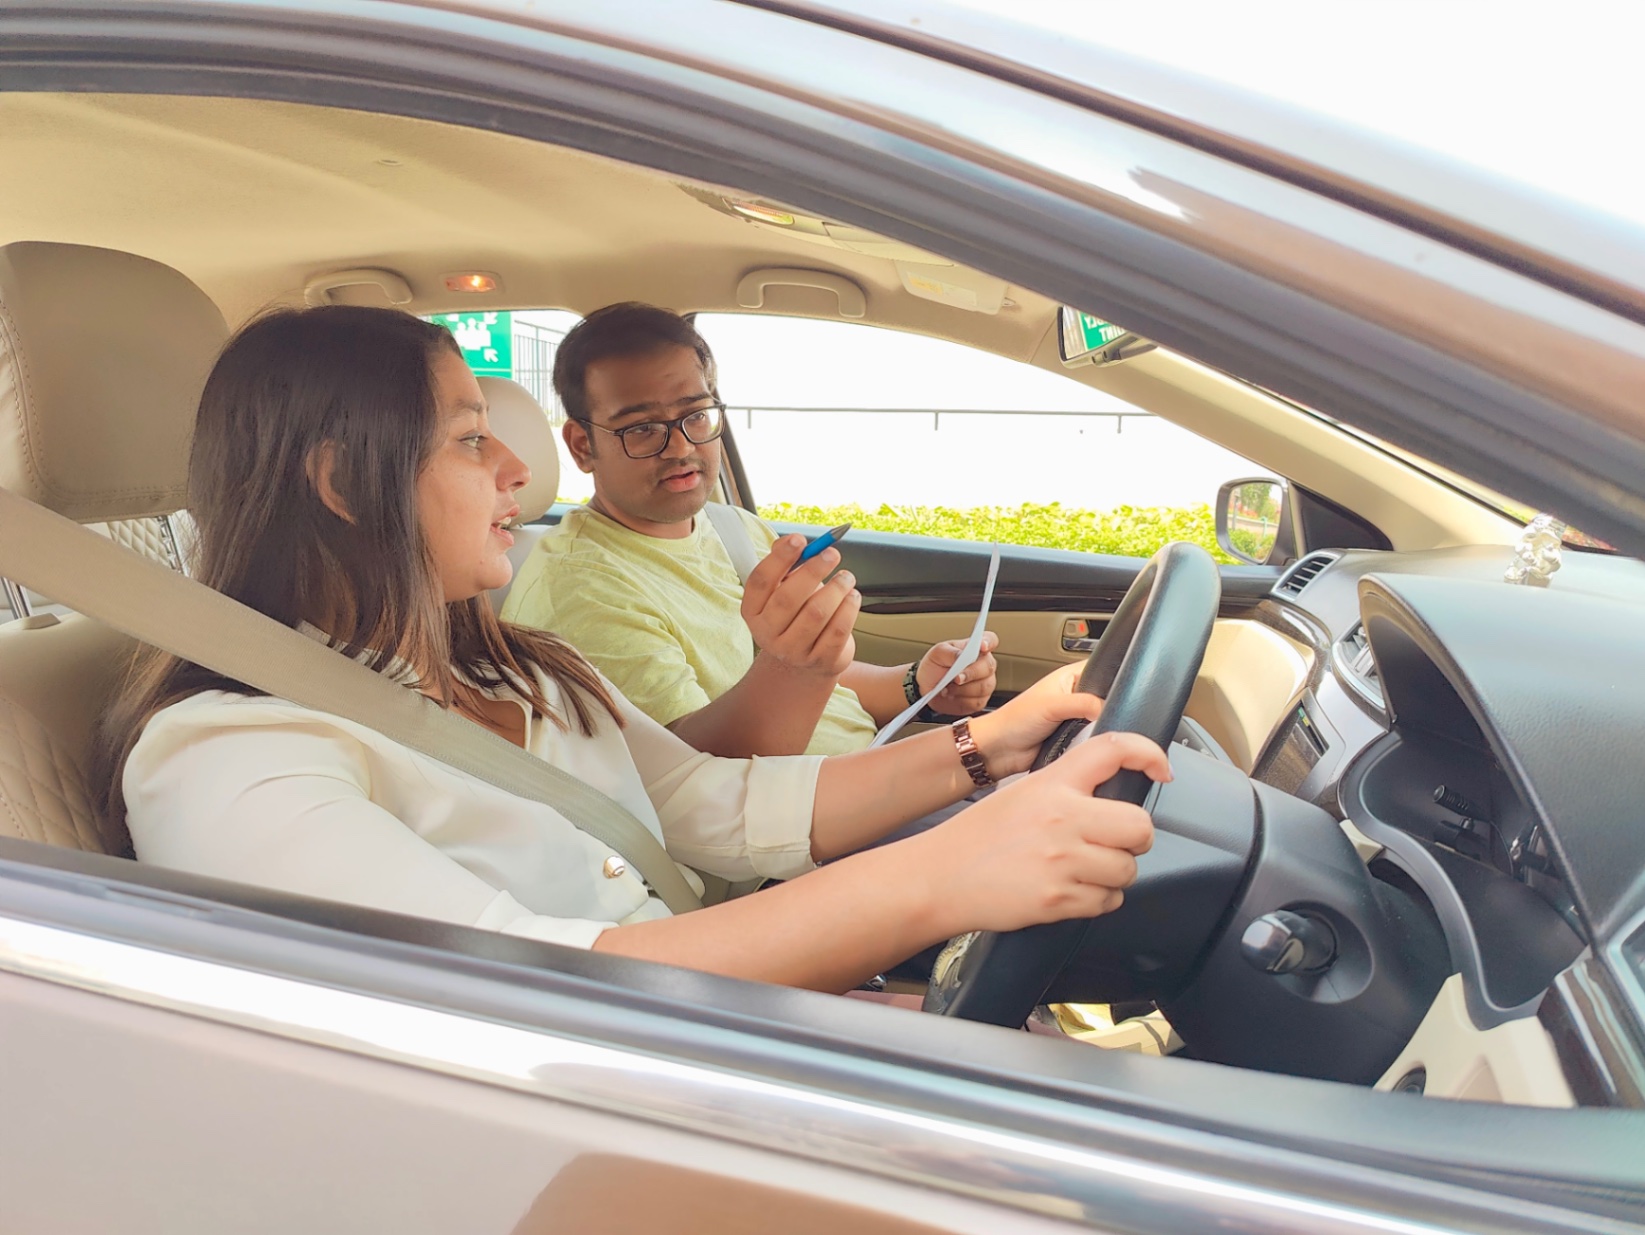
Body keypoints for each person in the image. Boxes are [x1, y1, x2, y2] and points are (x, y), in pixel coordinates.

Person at [96, 305, 1166, 996]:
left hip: (709, 1021)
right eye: (471, 437)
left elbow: (716, 806)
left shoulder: (516, 663)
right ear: (342, 483)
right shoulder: (233, 751)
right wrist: (944, 873)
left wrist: (986, 741)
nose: (513, 466)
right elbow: (551, 985)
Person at [500, 302, 998, 759]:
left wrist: (917, 683)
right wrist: (795, 666)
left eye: (695, 415)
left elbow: (816, 678)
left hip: (861, 769)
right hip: (807, 831)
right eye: (642, 429)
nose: (680, 447)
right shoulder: (581, 589)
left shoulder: (731, 526)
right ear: (583, 446)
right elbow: (694, 780)